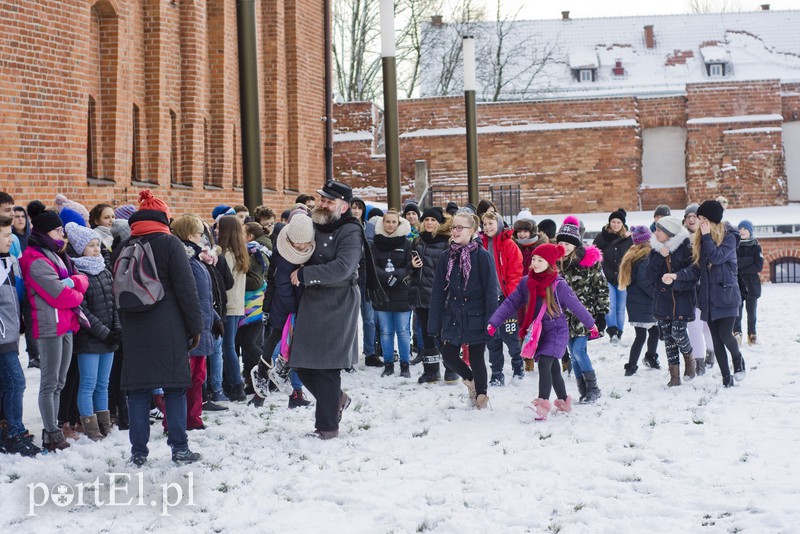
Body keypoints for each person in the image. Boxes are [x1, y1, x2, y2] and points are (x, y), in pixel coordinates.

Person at [113, 190, 203, 466]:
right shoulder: (170, 243)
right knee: (174, 390)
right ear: (164, 218)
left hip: (135, 328)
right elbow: (187, 290)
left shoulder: (125, 245)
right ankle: (179, 448)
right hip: (169, 326)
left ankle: (138, 452)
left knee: (138, 392)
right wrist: (195, 327)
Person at [289, 181, 383, 439]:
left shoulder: (351, 230)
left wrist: (307, 274)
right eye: (322, 199)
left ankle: (327, 428)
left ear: (343, 206)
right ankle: (337, 400)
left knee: (328, 368)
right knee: (301, 363)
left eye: (330, 201)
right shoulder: (315, 224)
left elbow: (343, 267)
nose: (323, 204)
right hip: (312, 300)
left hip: (338, 301)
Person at [489, 243, 598, 421]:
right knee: (554, 368)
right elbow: (510, 303)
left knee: (546, 362)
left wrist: (591, 325)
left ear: (550, 262)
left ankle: (542, 406)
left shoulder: (558, 285)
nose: (536, 263)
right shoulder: (526, 282)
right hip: (539, 332)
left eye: (541, 260)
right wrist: (494, 322)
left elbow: (576, 306)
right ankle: (563, 401)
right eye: (534, 259)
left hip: (557, 330)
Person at [20, 201, 88, 451]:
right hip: (50, 325)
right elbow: (60, 294)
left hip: (66, 322)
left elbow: (76, 282)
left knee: (60, 381)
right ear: (44, 232)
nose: (62, 234)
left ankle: (54, 429)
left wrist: (74, 283)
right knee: (50, 383)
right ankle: (50, 432)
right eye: (57, 231)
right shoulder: (36, 259)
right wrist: (76, 288)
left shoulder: (57, 255)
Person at [428, 211, 498, 409]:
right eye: (453, 227)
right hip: (453, 314)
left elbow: (491, 292)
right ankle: (471, 380)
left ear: (473, 230)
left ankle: (482, 396)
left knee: (476, 357)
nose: (455, 231)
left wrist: (491, 323)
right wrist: (434, 323)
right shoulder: (446, 256)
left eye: (460, 228)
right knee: (448, 354)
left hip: (477, 314)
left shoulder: (482, 257)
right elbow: (438, 292)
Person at [671, 200, 744, 388]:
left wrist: (706, 237)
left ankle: (737, 359)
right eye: (698, 218)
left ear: (712, 220)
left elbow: (716, 257)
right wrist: (676, 276)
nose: (699, 222)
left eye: (703, 218)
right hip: (708, 298)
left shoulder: (729, 237)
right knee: (717, 341)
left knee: (726, 334)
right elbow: (697, 269)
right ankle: (726, 378)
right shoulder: (702, 240)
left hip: (727, 296)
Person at [251, 211, 315, 408]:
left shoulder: (305, 247)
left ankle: (275, 377)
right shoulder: (284, 254)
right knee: (280, 342)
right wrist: (291, 309)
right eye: (298, 243)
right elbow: (280, 284)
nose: (301, 247)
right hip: (287, 306)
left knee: (287, 345)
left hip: (295, 306)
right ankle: (265, 374)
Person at [64, 222, 121, 441]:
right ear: (80, 249)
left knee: (103, 384)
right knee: (88, 383)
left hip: (109, 337)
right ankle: (90, 425)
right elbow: (83, 311)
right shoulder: (79, 274)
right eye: (91, 246)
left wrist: (116, 328)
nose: (97, 249)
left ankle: (104, 422)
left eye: (97, 245)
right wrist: (103, 332)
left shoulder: (104, 270)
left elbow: (113, 302)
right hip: (90, 339)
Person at [0, 214, 42, 456]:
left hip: (11, 335)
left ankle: (8, 431)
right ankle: (15, 432)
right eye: (5, 236)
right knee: (17, 382)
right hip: (2, 336)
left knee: (9, 384)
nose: (10, 240)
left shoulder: (9, 262)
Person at [556, 216, 608, 402]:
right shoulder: (557, 263)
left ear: (576, 244)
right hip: (564, 316)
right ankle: (583, 390)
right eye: (561, 243)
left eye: (568, 243)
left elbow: (601, 287)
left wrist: (601, 314)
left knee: (579, 350)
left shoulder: (589, 262)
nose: (565, 246)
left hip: (584, 314)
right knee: (572, 353)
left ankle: (594, 389)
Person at [646, 215, 696, 387]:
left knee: (678, 333)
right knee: (668, 338)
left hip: (682, 299)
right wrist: (660, 257)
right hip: (663, 301)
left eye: (659, 230)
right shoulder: (655, 249)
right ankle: (674, 377)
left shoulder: (686, 247)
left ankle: (690, 359)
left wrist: (675, 278)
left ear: (669, 232)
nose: (656, 233)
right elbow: (650, 277)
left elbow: (694, 273)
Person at [411, 207, 457, 384]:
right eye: (426, 220)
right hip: (421, 295)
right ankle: (431, 371)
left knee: (443, 333)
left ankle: (451, 369)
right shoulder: (417, 241)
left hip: (441, 297)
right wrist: (412, 266)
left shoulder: (447, 242)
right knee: (427, 334)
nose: (429, 223)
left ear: (440, 223)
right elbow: (411, 269)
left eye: (433, 220)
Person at [480, 211, 523, 385]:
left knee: (510, 335)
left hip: (505, 298)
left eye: (491, 223)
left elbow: (516, 271)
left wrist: (511, 296)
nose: (488, 227)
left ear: (498, 224)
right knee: (492, 337)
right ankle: (496, 373)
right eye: (485, 224)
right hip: (488, 299)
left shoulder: (509, 244)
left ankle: (517, 365)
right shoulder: (480, 244)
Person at [371, 210, 413, 378]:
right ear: (383, 223)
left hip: (402, 291)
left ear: (399, 223)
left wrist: (397, 276)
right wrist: (386, 277)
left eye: (393, 222)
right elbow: (372, 264)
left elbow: (411, 264)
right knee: (386, 331)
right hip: (382, 292)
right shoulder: (374, 243)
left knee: (403, 331)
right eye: (387, 221)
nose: (390, 225)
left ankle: (405, 365)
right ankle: (388, 364)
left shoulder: (407, 243)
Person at [617, 226, 660, 376]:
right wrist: (656, 294)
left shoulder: (633, 254)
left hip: (636, 302)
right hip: (644, 302)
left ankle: (645, 359)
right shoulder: (645, 257)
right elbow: (643, 280)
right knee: (647, 334)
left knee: (650, 332)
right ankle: (637, 363)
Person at [216, 215, 249, 401]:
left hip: (228, 305)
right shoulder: (240, 252)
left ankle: (236, 385)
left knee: (227, 347)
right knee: (230, 346)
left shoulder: (227, 256)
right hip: (237, 304)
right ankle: (235, 382)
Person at [682, 203, 715, 375]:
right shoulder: (680, 239)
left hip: (708, 287)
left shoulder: (709, 236)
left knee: (707, 326)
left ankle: (711, 352)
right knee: (694, 326)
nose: (691, 219)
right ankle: (699, 363)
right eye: (688, 216)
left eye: (694, 216)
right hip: (689, 288)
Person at [593, 208, 632, 344]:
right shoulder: (601, 236)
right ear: (609, 223)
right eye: (613, 222)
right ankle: (613, 332)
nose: (615, 225)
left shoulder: (628, 238)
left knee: (621, 307)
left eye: (618, 222)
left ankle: (620, 332)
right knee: (611, 305)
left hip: (623, 277)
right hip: (607, 276)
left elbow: (632, 256)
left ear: (623, 224)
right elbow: (594, 254)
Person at [11, 206, 38, 368]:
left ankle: (34, 355)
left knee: (30, 321)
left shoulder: (31, 238)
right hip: (15, 284)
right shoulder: (11, 239)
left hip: (29, 284)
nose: (20, 219)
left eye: (23, 216)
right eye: (17, 216)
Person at [735, 220, 762, 346]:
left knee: (752, 312)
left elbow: (759, 266)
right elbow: (734, 264)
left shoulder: (756, 246)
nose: (742, 231)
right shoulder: (735, 245)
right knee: (737, 311)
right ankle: (737, 333)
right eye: (740, 228)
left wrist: (742, 264)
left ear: (750, 231)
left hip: (752, 285)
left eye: (745, 228)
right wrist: (749, 260)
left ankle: (752, 334)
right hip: (738, 283)